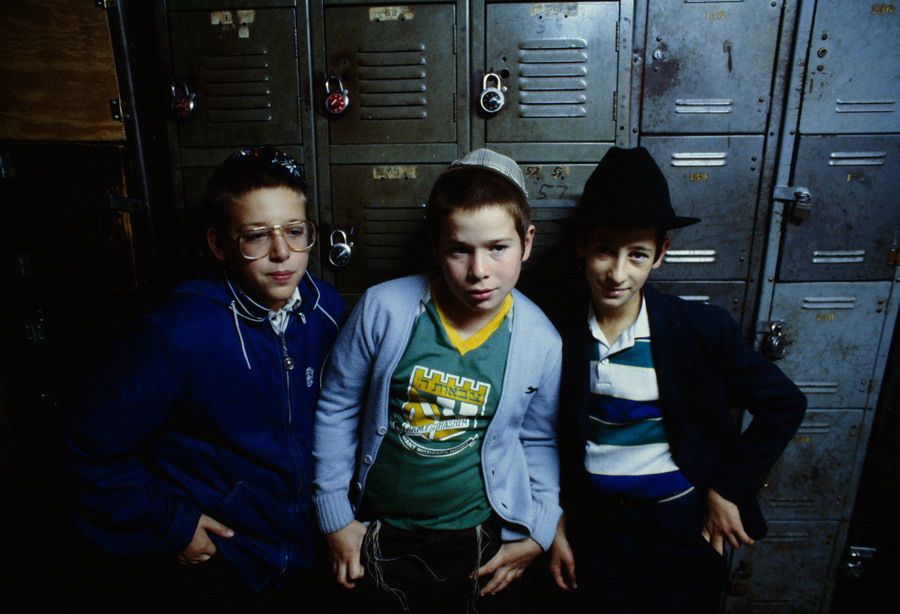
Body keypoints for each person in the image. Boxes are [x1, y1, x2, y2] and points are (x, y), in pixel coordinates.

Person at [51, 146, 345, 613]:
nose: (282, 252)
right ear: (219, 244)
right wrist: (170, 524)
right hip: (225, 560)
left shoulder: (327, 308)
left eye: (295, 231)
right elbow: (83, 444)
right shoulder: (177, 333)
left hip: (310, 554)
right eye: (255, 236)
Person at [545, 146, 807, 613]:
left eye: (637, 254)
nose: (618, 273)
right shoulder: (553, 333)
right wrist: (555, 523)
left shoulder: (701, 330)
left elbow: (784, 403)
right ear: (581, 244)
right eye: (605, 249)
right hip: (595, 531)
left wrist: (728, 487)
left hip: (682, 529)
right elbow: (541, 436)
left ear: (661, 255)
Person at [312, 149, 562, 613]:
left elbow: (538, 438)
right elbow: (337, 406)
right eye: (459, 250)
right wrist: (334, 518)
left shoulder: (540, 341)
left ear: (527, 242)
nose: (479, 271)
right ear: (435, 246)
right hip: (377, 531)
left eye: (498, 248)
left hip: (476, 539)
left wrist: (540, 530)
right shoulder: (384, 308)